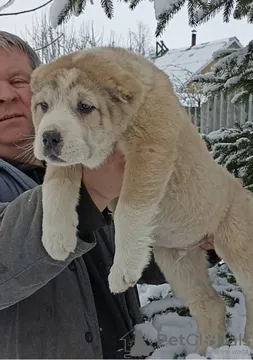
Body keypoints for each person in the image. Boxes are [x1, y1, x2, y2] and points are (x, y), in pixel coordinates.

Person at [0, 30, 220, 359]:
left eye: (17, 80)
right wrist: (89, 190)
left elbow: (132, 258)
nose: (5, 94)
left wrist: (194, 236)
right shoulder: (91, 170)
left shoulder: (85, 155)